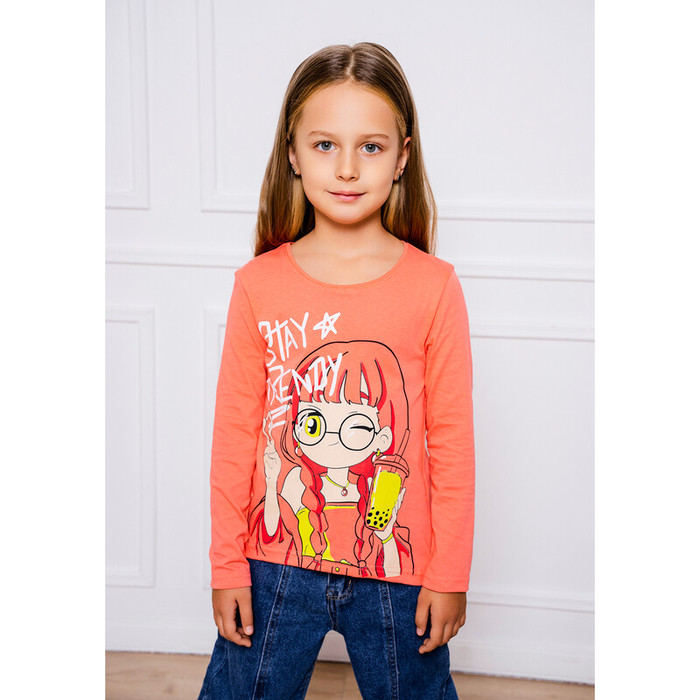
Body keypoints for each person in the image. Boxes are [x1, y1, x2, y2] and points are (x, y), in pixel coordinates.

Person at [198, 42, 475, 700]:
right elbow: (235, 435)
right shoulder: (258, 284)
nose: (347, 168)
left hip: (397, 570)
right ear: (292, 153)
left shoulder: (434, 287)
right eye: (325, 145)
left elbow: (451, 441)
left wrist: (449, 573)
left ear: (402, 156)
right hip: (274, 566)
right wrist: (226, 563)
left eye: (370, 147)